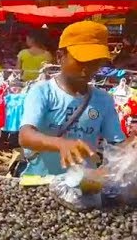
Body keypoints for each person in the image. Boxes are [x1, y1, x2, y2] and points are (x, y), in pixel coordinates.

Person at [19, 21, 126, 177]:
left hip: (82, 188)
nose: (88, 69)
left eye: (95, 63)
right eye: (81, 61)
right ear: (60, 57)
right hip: (40, 183)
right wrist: (59, 143)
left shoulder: (104, 100)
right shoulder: (42, 92)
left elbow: (118, 144)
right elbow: (25, 136)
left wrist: (132, 143)